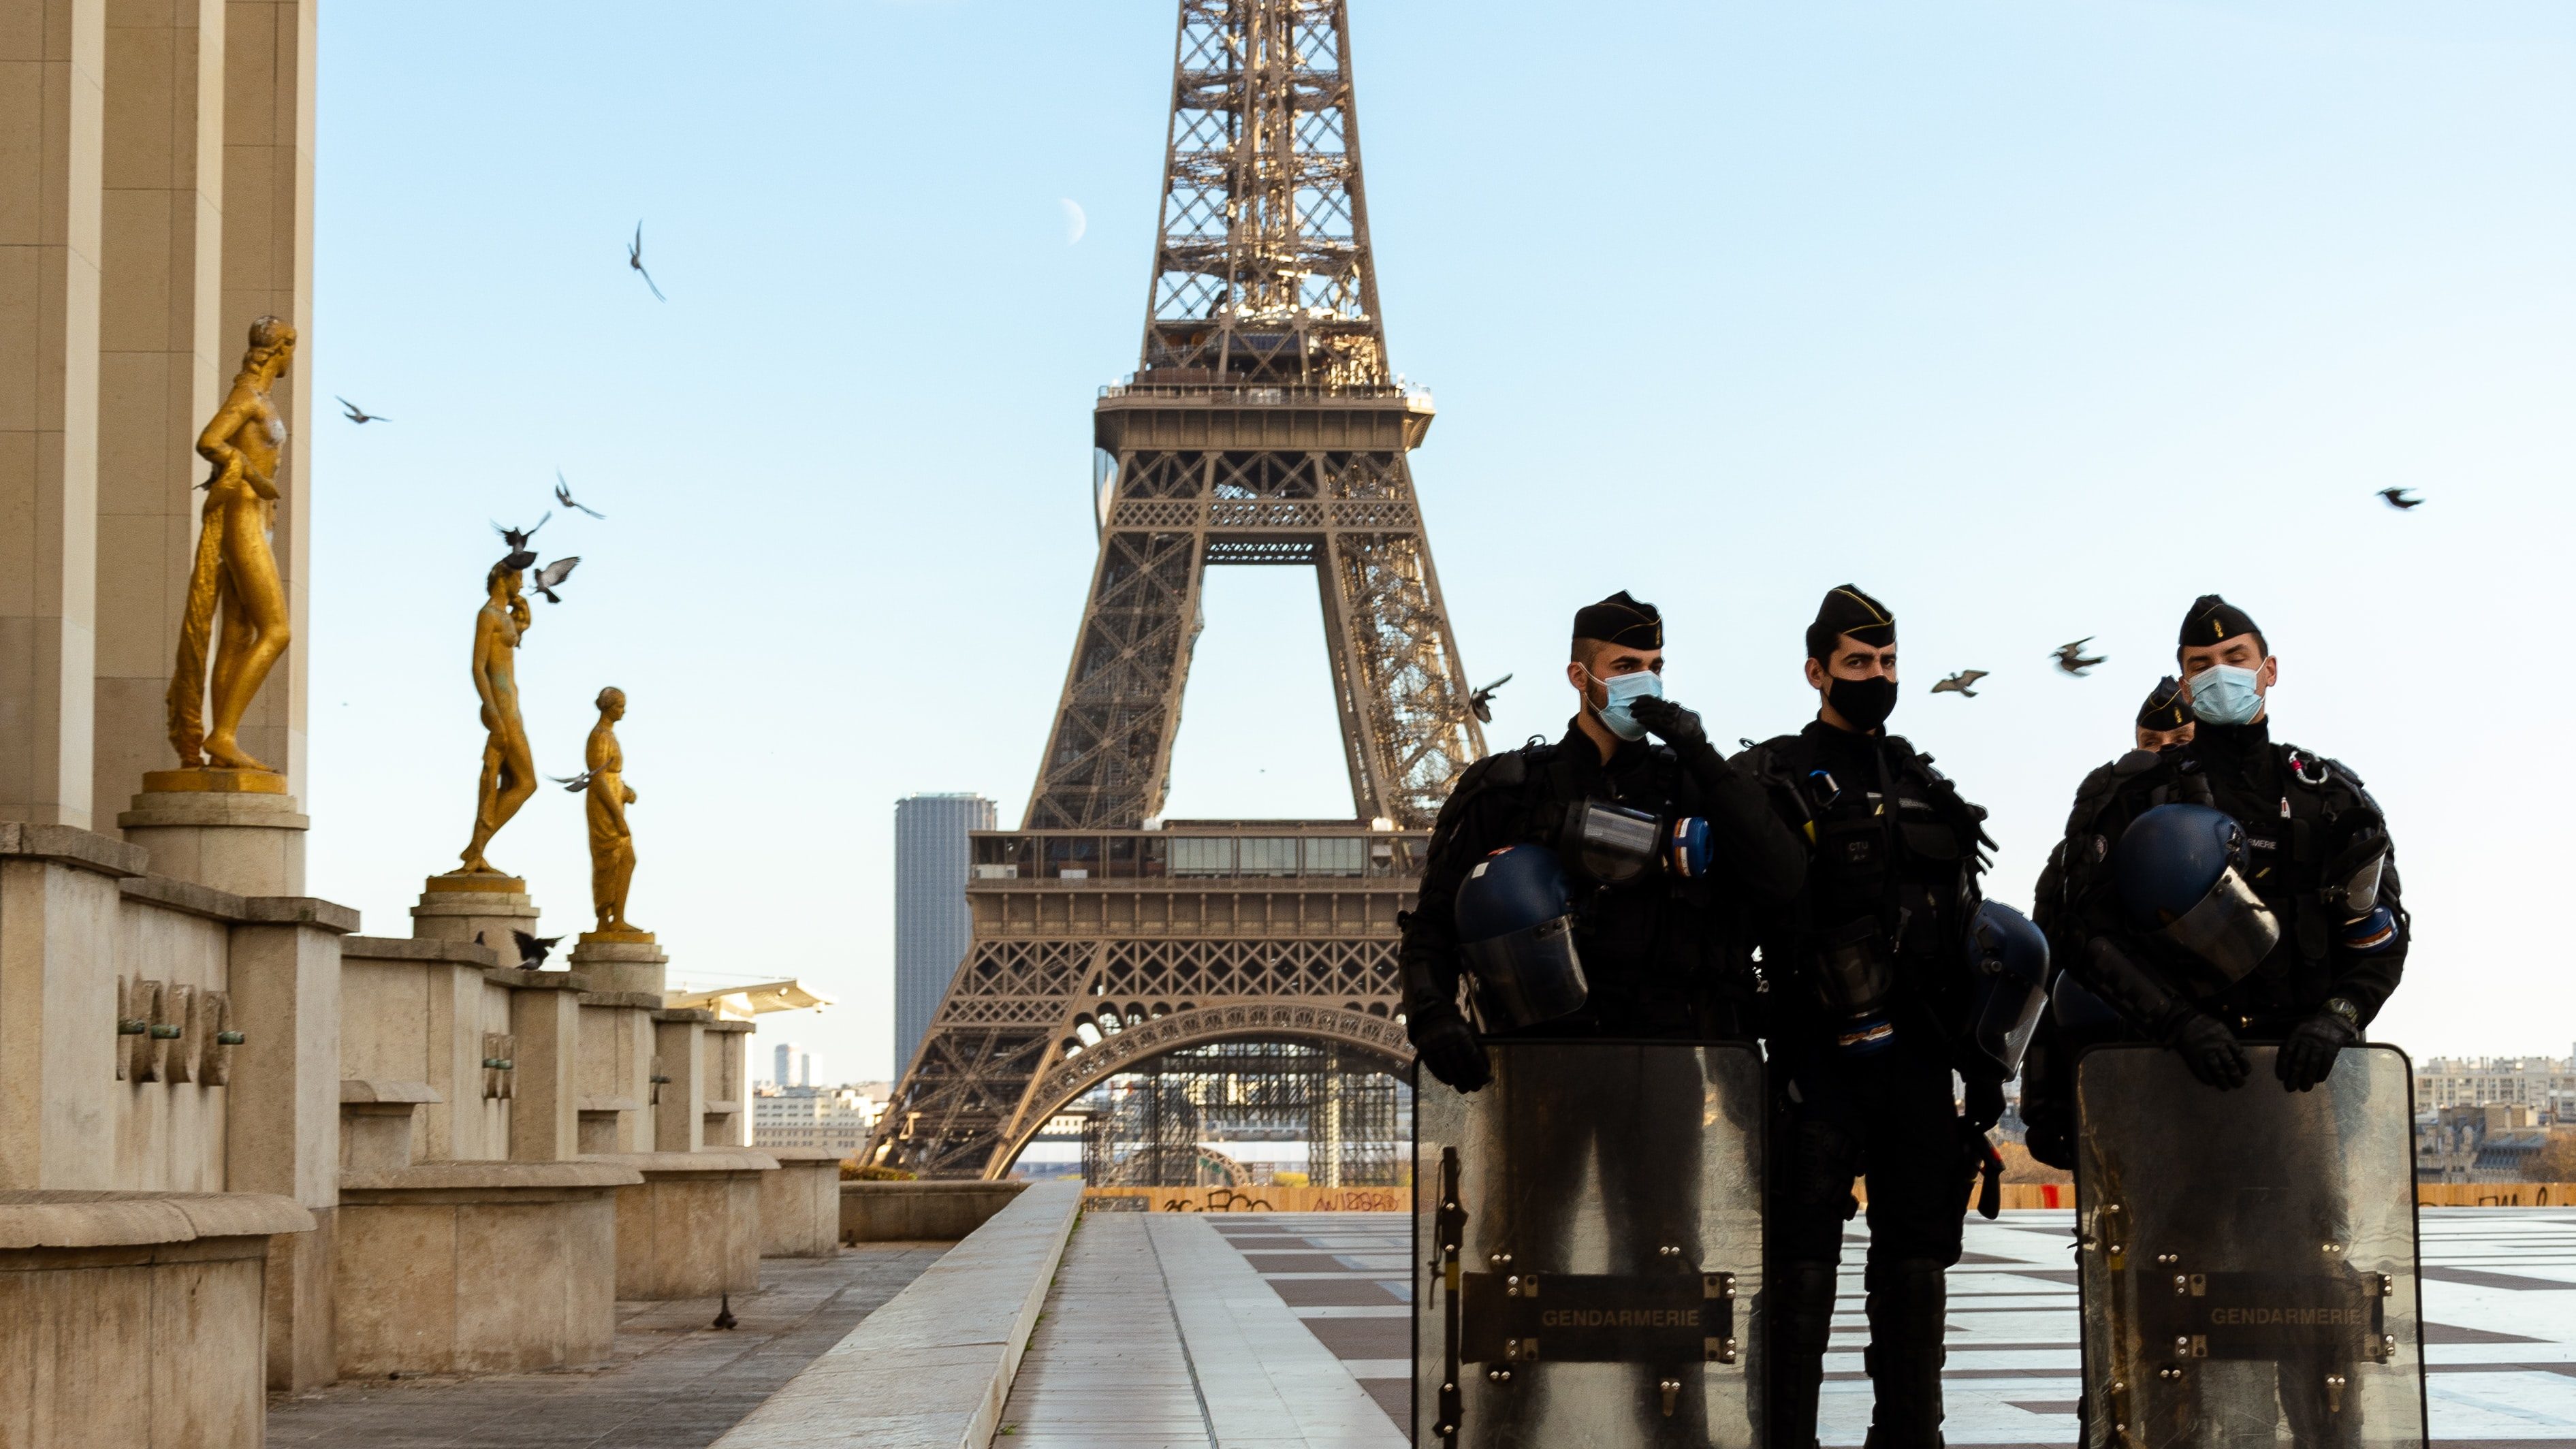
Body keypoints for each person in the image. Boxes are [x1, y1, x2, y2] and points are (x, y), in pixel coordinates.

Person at [1399, 590, 1804, 1443]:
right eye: (1624, 668)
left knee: (1670, 1277)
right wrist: (1431, 1012)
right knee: (1517, 1273)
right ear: (1580, 676)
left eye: (1652, 666)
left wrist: (1695, 746)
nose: (1640, 681)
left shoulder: (1698, 784)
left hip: (1664, 1066)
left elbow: (1783, 881)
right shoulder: (1510, 789)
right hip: (1538, 1069)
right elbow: (1433, 921)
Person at [1735, 584, 1994, 1449]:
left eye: (1885, 662)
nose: (1874, 676)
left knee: (1917, 1275)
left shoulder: (1926, 784)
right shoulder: (1771, 778)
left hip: (1922, 1065)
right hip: (1816, 1063)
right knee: (1800, 1277)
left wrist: (1985, 1067)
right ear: (1816, 670)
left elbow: (1968, 927)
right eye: (1857, 663)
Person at [2055, 594, 2406, 1094]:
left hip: (2314, 1082)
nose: (2219, 673)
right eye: (2201, 665)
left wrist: (2338, 1017)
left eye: (2235, 658)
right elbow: (2085, 936)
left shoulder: (2330, 797)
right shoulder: (2133, 796)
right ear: (2185, 686)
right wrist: (2176, 1023)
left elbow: (2381, 938)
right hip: (2172, 1074)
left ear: (2268, 670)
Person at [2019, 674, 2201, 1165]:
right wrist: (2044, 1104)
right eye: (2150, 743)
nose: (2163, 753)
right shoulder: (2076, 864)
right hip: (2115, 1077)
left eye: (2181, 742)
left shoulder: (2237, 837)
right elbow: (2052, 980)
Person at [168, 316, 298, 772]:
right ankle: (222, 734)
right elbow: (209, 441)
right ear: (280, 348)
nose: (291, 356)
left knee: (239, 633)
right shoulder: (246, 396)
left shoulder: (260, 397)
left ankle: (223, 746)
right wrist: (252, 473)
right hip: (242, 517)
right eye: (290, 346)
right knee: (277, 631)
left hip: (258, 520)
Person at [458, 554, 539, 875]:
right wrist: (491, 708)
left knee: (513, 782)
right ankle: (476, 848)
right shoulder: (487, 615)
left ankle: (477, 849)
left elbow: (509, 647)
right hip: (502, 709)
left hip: (512, 709)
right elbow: (478, 666)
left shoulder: (503, 618)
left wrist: (522, 624)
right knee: (523, 782)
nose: (522, 583)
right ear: (503, 578)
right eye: (518, 577)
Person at [584, 687, 646, 934]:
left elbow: (611, 776)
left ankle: (617, 917)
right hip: (603, 806)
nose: (624, 711)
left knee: (625, 859)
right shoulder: (598, 736)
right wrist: (618, 815)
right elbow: (598, 779)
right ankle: (606, 919)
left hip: (614, 800)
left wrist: (625, 791)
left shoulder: (610, 736)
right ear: (609, 708)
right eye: (620, 706)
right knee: (608, 861)